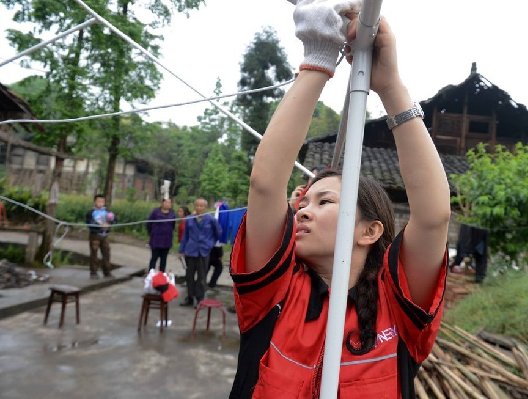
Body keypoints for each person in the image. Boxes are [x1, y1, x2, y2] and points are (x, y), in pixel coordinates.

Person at [228, 2, 451, 398]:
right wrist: (317, 60)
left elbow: (433, 217)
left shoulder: (396, 307)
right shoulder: (275, 292)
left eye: (325, 202)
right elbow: (265, 184)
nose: (304, 211)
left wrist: (391, 87)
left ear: (370, 230)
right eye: (306, 201)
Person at [177, 198, 221, 307]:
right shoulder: (189, 219)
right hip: (191, 251)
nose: (199, 208)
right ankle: (190, 298)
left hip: (204, 252)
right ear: (194, 206)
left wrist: (209, 244)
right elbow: (185, 236)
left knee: (201, 277)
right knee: (189, 276)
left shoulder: (211, 220)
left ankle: (200, 299)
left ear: (205, 208)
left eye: (201, 206)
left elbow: (218, 233)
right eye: (197, 206)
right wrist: (181, 250)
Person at [85, 194, 115, 279]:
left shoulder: (107, 212)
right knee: (94, 253)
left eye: (102, 201)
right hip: (95, 235)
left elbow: (114, 220)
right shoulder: (91, 212)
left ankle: (107, 272)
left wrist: (109, 223)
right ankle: (93, 272)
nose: (100, 203)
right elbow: (89, 223)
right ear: (95, 202)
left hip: (105, 236)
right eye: (98, 201)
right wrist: (100, 226)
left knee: (106, 253)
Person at [146, 198, 176, 272]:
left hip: (166, 240)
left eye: (169, 202)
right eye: (166, 202)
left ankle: (161, 276)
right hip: (156, 240)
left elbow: (173, 226)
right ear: (162, 203)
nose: (167, 204)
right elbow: (148, 224)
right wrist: (152, 233)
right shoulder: (155, 212)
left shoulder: (172, 213)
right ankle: (151, 274)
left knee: (164, 259)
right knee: (154, 258)